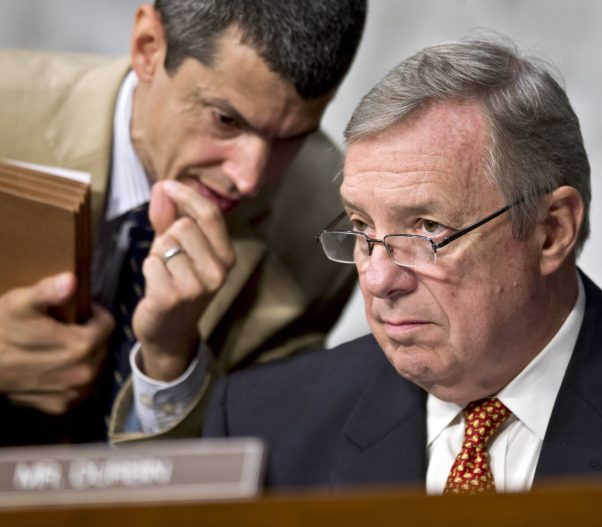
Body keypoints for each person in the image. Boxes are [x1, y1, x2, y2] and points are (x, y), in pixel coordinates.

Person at [203, 35, 602, 493]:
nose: (377, 278)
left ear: (551, 232)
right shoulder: (262, 429)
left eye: (428, 230)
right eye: (361, 229)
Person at [0, 0, 366, 445]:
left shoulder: (323, 225)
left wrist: (172, 360)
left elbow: (256, 461)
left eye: (290, 139)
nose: (249, 179)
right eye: (226, 120)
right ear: (148, 47)